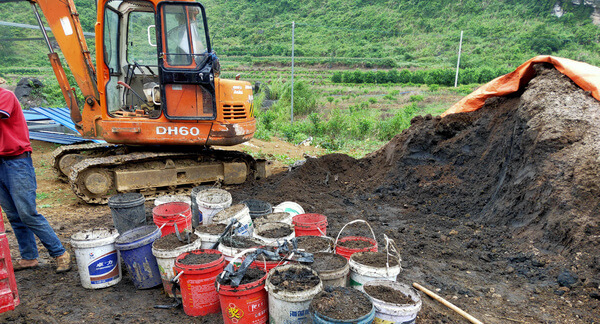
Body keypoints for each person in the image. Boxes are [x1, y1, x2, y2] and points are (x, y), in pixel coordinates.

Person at [0, 79, 71, 273]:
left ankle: (60, 253)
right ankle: (29, 257)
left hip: (16, 161)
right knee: (14, 215)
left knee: (27, 213)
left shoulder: (5, 96)